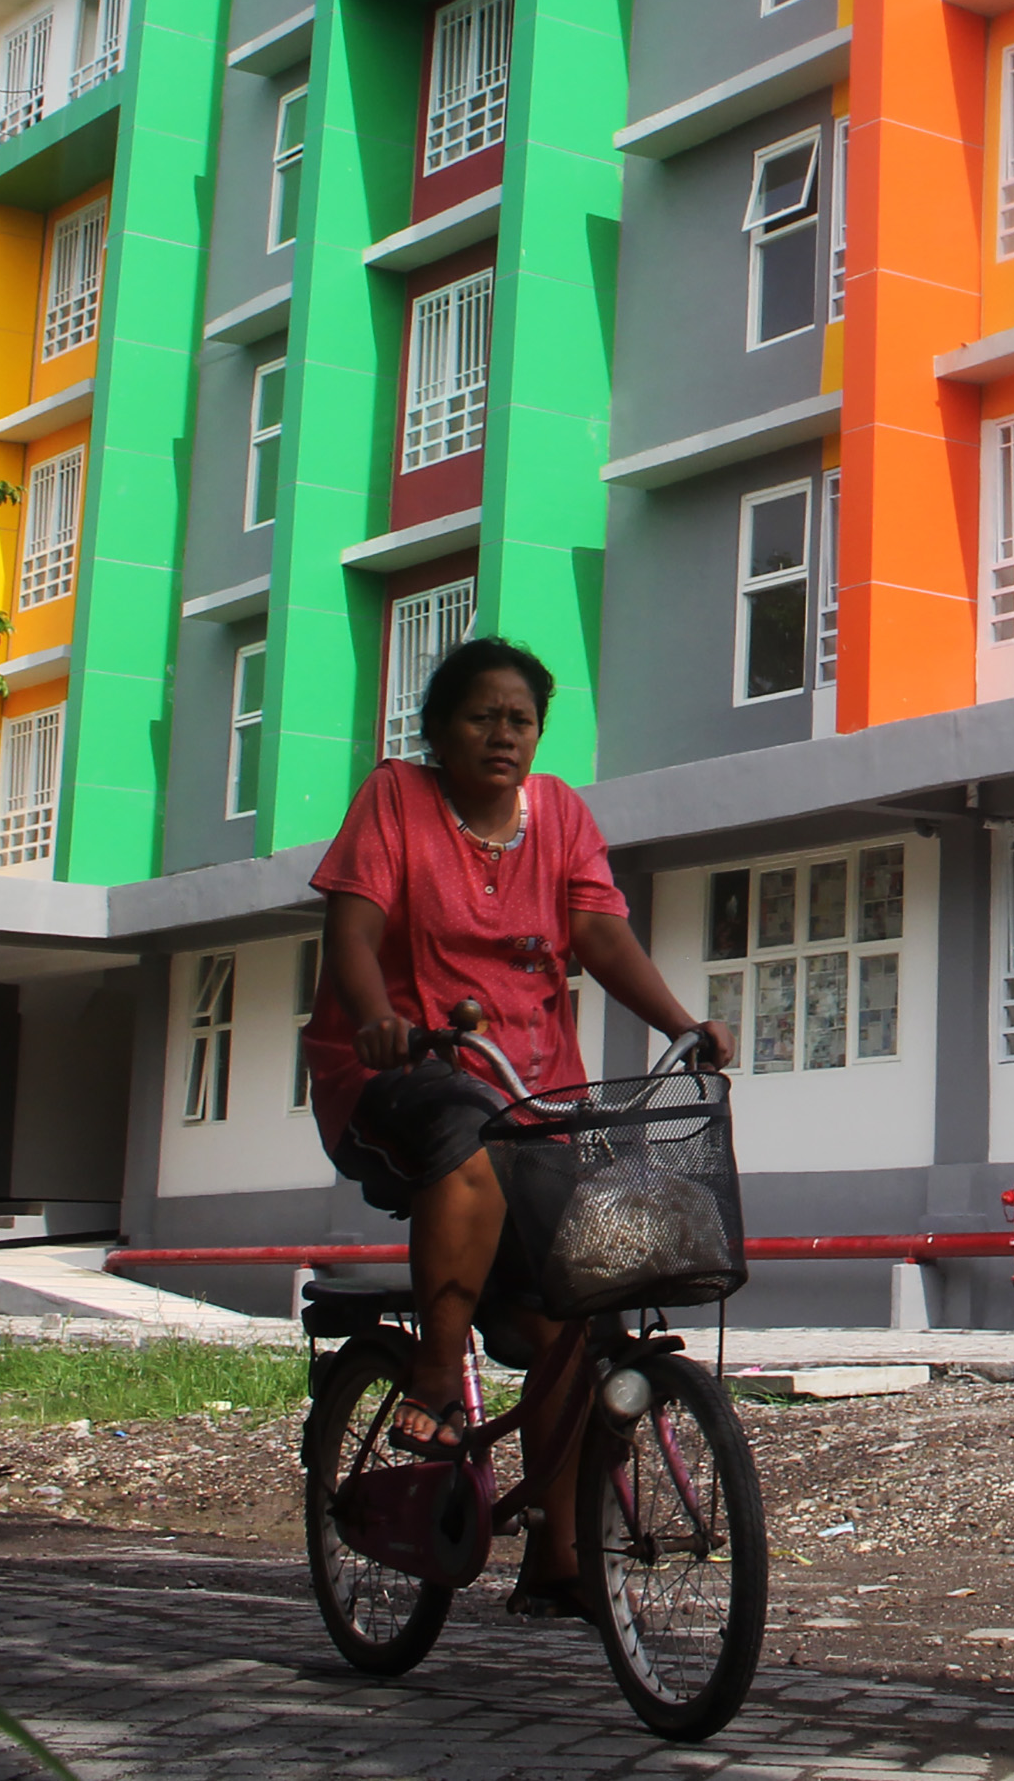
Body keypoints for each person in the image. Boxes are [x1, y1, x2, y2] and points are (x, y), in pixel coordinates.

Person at [297, 634, 728, 1619]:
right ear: (438, 730)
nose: (503, 734)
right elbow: (351, 930)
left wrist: (683, 1023)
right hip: (402, 1072)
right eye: (481, 716)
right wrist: (375, 1018)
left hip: (536, 1090)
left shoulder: (561, 813)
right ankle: (435, 1382)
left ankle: (559, 1556)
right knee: (471, 1137)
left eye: (520, 719)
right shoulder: (396, 798)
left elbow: (601, 935)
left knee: (576, 1310)